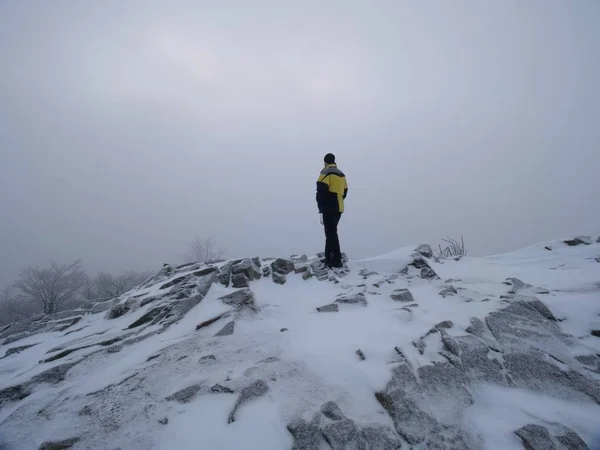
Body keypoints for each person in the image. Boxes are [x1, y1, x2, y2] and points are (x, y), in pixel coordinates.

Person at [316, 153, 348, 268]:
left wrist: (321, 206)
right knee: (331, 231)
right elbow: (345, 191)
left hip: (329, 207)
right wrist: (338, 200)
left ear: (325, 162)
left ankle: (336, 259)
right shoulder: (341, 174)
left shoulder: (325, 173)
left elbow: (321, 191)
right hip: (339, 207)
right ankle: (329, 257)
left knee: (331, 232)